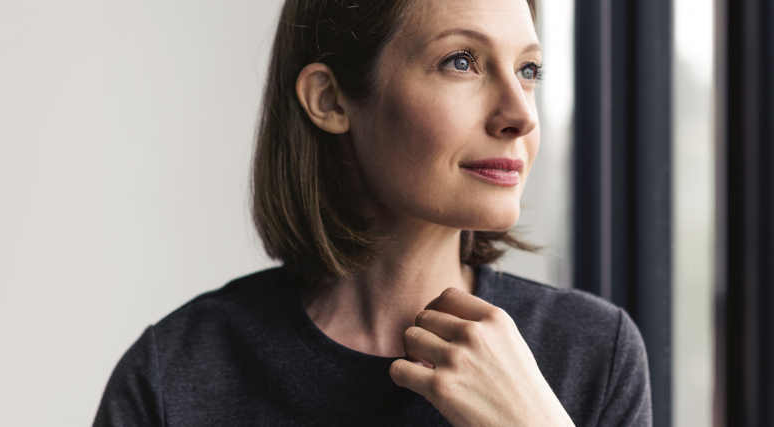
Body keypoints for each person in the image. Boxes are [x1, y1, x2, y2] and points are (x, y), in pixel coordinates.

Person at [92, 0, 651, 425]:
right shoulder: (176, 373)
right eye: (462, 61)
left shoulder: (595, 353)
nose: (519, 115)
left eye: (529, 70)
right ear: (332, 100)